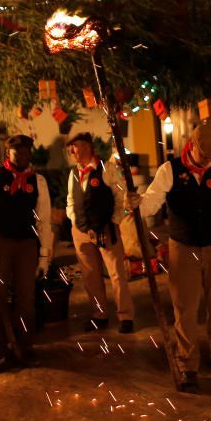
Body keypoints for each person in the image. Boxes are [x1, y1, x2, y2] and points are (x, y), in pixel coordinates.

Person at [129, 125, 211, 393]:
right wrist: (135, 202)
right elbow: (150, 203)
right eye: (203, 155)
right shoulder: (169, 170)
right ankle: (187, 364)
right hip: (182, 248)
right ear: (191, 144)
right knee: (185, 309)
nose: (207, 161)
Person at [0, 135, 52, 374]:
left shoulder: (39, 181)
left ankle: (24, 347)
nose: (22, 156)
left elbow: (44, 220)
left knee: (26, 298)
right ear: (9, 154)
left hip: (26, 242)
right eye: (18, 152)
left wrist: (44, 255)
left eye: (26, 152)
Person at [66, 131, 134, 334]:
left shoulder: (107, 168)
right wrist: (76, 221)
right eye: (70, 148)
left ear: (87, 147)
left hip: (105, 228)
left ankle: (126, 316)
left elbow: (120, 196)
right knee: (90, 276)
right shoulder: (73, 173)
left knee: (116, 274)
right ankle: (99, 315)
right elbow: (70, 200)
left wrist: (113, 222)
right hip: (81, 231)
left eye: (75, 146)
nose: (72, 151)